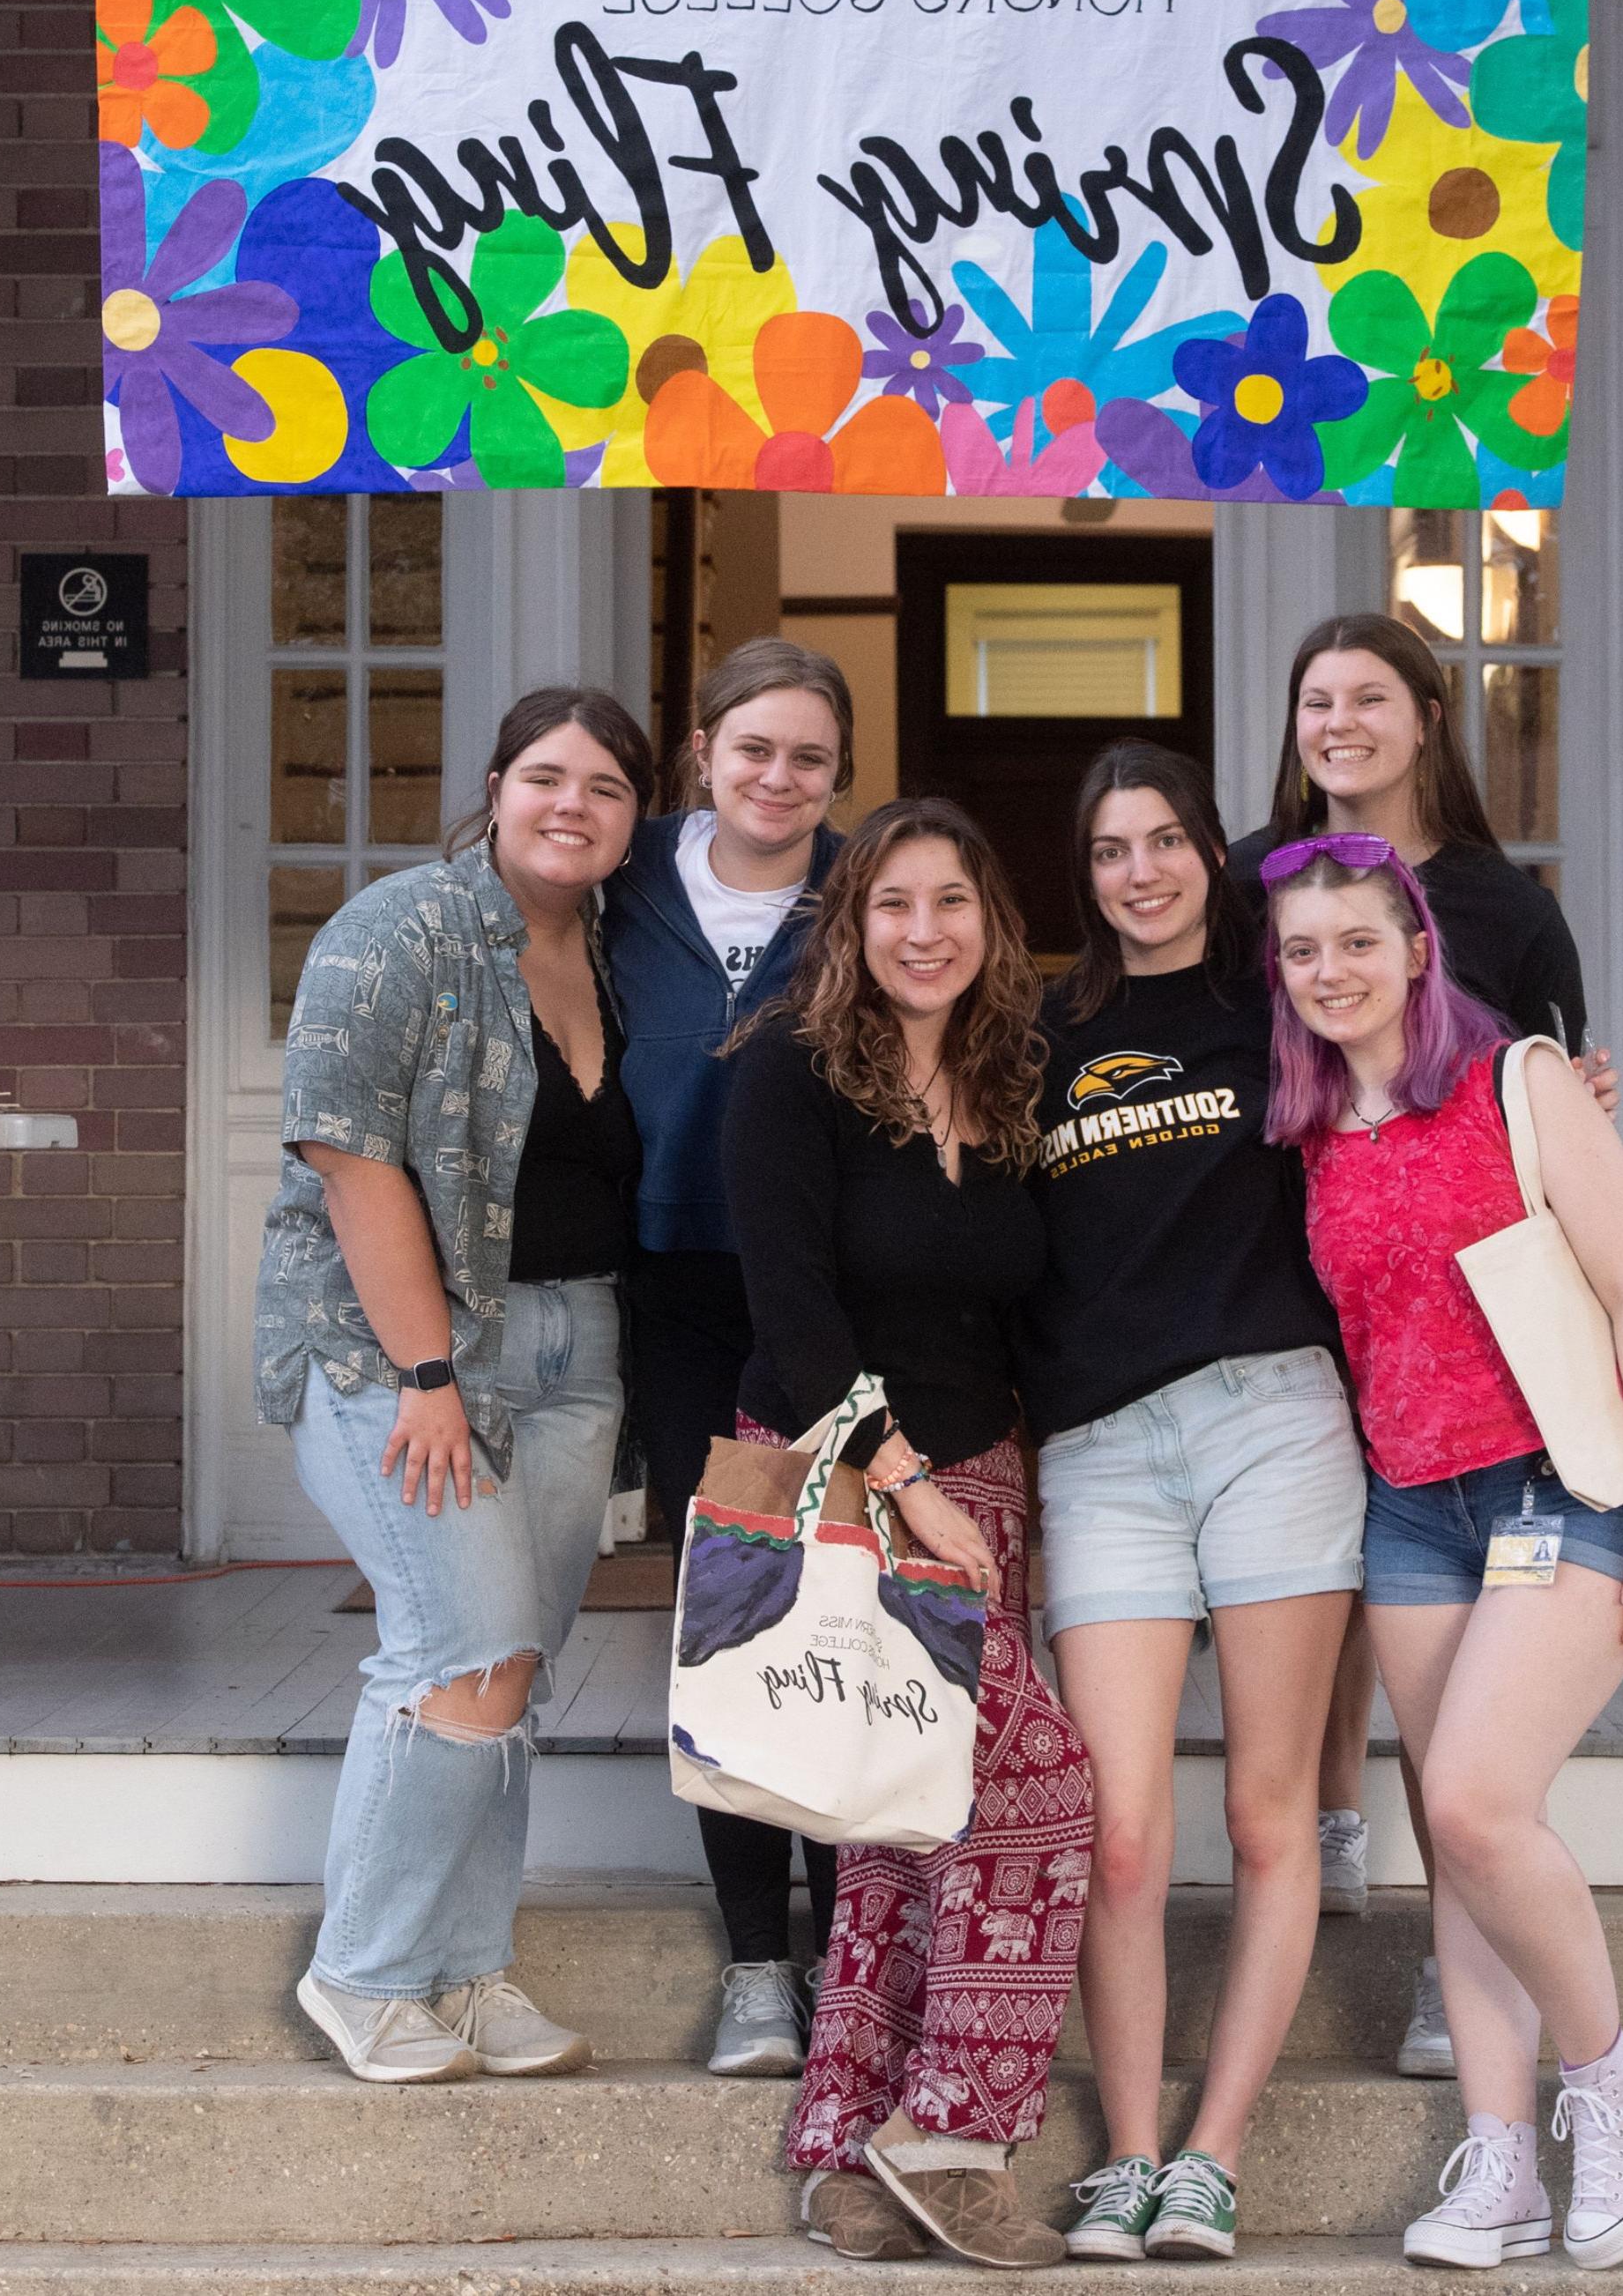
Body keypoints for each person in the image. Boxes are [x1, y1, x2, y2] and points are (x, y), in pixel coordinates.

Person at [1267, 832, 1623, 2273]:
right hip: (1412, 1508)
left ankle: (1613, 2075)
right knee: (1456, 1844)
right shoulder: (1309, 1126)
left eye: (1358, 943)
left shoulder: (1520, 1082)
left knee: (1476, 1798)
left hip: (1561, 1484)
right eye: (1304, 951)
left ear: (1417, 948)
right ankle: (1501, 2157)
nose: (1332, 971)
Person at [1230, 612, 1614, 2063]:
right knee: (1340, 1585)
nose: (1340, 722)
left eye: (1370, 696)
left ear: (1428, 716)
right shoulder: (1243, 883)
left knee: (1474, 1705)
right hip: (1304, 1270)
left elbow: (1557, 1086)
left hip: (1475, 1339)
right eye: (1316, 697)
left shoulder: (1503, 908)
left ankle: (1477, 1962)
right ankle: (1333, 1823)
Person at [261, 686, 653, 2086]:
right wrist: (429, 1370)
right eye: (547, 774)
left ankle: (468, 1970)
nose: (574, 805)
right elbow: (351, 1159)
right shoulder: (398, 929)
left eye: (606, 787)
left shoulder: (615, 948)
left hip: (574, 1352)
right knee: (462, 1650)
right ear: (494, 785)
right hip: (398, 1352)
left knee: (515, 1672)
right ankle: (362, 1970)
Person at [725, 799, 1091, 2272]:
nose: (924, 930)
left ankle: (848, 2152)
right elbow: (793, 1311)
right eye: (893, 904)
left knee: (901, 1822)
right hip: (831, 1473)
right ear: (850, 922)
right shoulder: (790, 1078)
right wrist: (907, 1478)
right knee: (1043, 1780)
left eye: (952, 900)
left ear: (992, 922)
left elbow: (1029, 1303)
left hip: (981, 1472)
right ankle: (957, 2124)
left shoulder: (1017, 1080)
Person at [1024, 744, 1366, 2264]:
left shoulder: (1276, 1001)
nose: (1142, 871)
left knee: (1264, 1807)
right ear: (1085, 874)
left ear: (1212, 854)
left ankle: (1214, 2151)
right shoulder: (1037, 1029)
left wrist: (1567, 1076)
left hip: (1271, 1418)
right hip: (1099, 1449)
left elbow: (1429, 1063)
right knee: (1119, 1832)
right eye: (1111, 850)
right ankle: (1130, 2151)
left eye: (1166, 840)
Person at [605, 637, 855, 2079]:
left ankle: (852, 1942)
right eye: (753, 748)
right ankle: (761, 1964)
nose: (778, 776)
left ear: (838, 775)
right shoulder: (623, 870)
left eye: (809, 756)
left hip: (825, 1291)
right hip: (678, 1291)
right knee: (734, 1615)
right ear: (703, 751)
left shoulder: (869, 882)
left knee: (849, 1616)